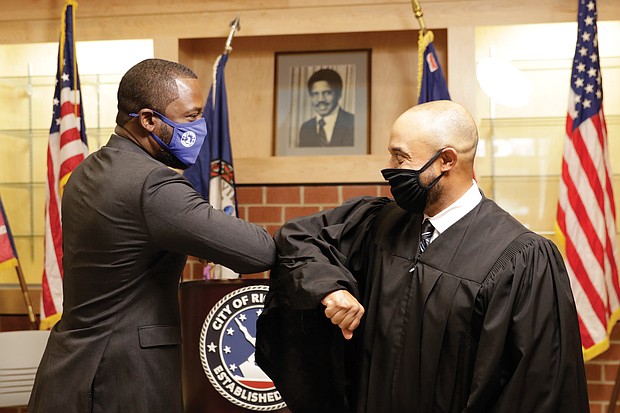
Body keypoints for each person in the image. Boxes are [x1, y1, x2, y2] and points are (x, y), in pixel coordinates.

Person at [256, 100, 589, 413]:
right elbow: (298, 237)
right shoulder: (380, 222)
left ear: (446, 161)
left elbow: (536, 390)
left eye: (400, 159)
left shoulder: (520, 259)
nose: (389, 170)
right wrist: (329, 286)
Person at [28, 58, 276, 413]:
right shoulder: (153, 183)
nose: (200, 127)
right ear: (148, 120)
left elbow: (123, 245)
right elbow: (258, 252)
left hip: (66, 375)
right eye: (190, 117)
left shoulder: (86, 171)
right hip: (124, 382)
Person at [298, 68, 354, 147]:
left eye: (327, 93)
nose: (321, 99)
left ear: (339, 94)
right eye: (315, 94)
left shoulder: (353, 123)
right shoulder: (306, 128)